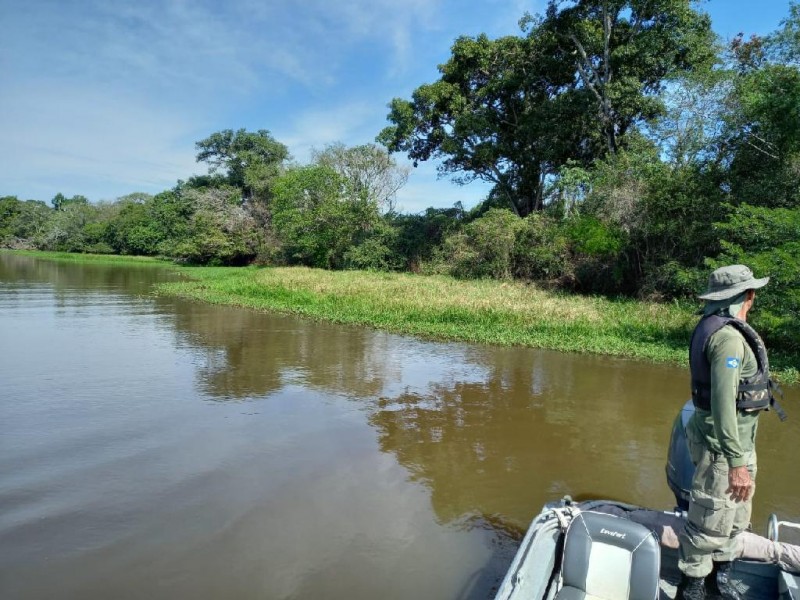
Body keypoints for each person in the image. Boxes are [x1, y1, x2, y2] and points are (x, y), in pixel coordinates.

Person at [676, 265, 780, 600]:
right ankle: (692, 589)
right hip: (722, 447)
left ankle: (718, 581)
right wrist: (736, 463)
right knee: (709, 522)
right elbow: (722, 405)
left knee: (735, 517)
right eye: (753, 291)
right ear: (747, 295)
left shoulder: (718, 326)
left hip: (737, 442)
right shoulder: (728, 340)